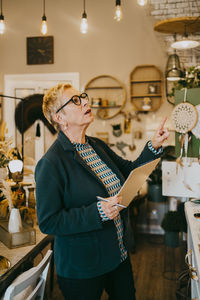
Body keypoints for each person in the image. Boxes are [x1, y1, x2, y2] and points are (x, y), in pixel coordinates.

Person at [35, 83, 169, 300]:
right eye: (76, 101)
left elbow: (129, 171)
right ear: (60, 118)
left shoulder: (96, 145)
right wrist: (96, 212)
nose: (86, 102)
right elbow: (49, 221)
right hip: (83, 268)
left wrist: (153, 145)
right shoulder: (51, 163)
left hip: (118, 255)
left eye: (83, 97)